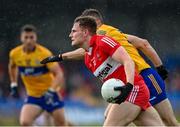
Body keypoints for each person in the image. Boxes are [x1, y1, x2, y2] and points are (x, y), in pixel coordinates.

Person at [44, 9, 178, 125]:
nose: (70, 34)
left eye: (74, 31)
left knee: (169, 121)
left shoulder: (102, 35)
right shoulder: (97, 49)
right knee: (111, 116)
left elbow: (133, 53)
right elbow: (142, 43)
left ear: (88, 28)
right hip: (129, 84)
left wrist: (157, 68)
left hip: (139, 78)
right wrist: (60, 57)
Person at [8, 24, 67, 126]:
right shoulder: (15, 54)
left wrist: (51, 91)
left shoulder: (44, 54)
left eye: (31, 37)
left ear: (36, 38)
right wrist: (13, 83)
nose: (29, 40)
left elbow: (59, 74)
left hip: (50, 95)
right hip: (33, 96)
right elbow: (12, 66)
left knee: (61, 124)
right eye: (26, 37)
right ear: (21, 38)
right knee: (25, 122)